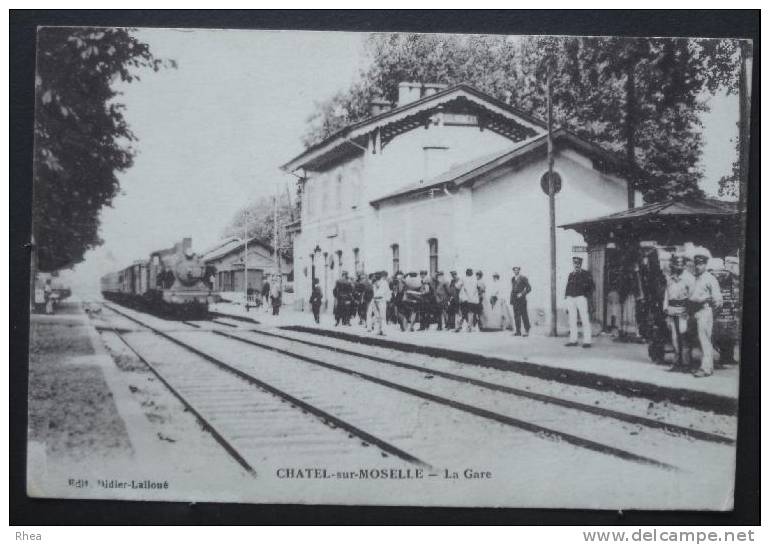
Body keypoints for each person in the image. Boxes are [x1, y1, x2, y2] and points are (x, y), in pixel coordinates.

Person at [689, 252, 723, 377]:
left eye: (701, 264)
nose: (698, 266)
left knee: (705, 341)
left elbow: (718, 300)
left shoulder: (710, 278)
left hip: (705, 310)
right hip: (695, 311)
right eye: (696, 264)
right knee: (701, 340)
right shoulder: (695, 278)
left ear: (705, 264)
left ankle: (706, 369)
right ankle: (707, 367)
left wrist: (711, 312)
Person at [663, 255, 693, 371]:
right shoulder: (670, 279)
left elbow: (692, 296)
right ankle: (676, 362)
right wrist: (666, 308)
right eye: (675, 265)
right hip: (672, 311)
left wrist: (689, 311)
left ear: (684, 266)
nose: (677, 267)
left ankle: (686, 364)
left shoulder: (689, 278)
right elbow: (667, 294)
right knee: (674, 338)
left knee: (684, 337)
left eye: (680, 265)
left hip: (684, 311)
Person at [564, 256, 594, 347]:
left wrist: (586, 295)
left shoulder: (586, 274)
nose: (576, 265)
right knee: (572, 320)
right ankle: (573, 340)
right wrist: (566, 299)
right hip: (570, 299)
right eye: (575, 263)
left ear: (581, 264)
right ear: (573, 264)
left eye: (578, 263)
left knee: (585, 319)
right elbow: (567, 287)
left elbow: (592, 286)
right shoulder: (571, 274)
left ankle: (587, 341)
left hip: (581, 298)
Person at [510, 266, 532, 336]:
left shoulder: (523, 278)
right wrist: (511, 300)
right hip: (515, 299)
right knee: (516, 315)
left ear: (519, 270)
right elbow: (513, 289)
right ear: (513, 271)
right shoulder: (513, 279)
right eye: (514, 270)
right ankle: (518, 331)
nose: (516, 271)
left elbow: (529, 288)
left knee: (524, 315)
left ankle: (527, 330)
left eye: (517, 269)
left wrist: (522, 294)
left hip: (521, 299)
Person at [371, 271, 391, 335]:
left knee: (383, 316)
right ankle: (378, 330)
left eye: (378, 275)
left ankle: (383, 330)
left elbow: (387, 292)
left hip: (381, 300)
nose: (376, 277)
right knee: (377, 316)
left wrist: (387, 299)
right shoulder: (374, 283)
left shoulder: (384, 282)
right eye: (376, 276)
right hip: (375, 300)